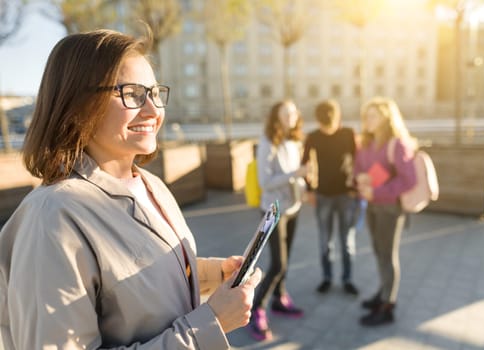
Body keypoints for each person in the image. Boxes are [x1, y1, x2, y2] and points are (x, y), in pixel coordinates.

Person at [0, 29, 262, 349]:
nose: (153, 110)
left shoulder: (150, 184)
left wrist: (211, 273)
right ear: (78, 102)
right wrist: (212, 323)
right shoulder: (52, 219)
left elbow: (129, 282)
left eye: (155, 92)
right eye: (133, 93)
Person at [247, 100, 308, 341]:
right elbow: (266, 182)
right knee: (278, 264)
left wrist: (303, 184)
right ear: (276, 117)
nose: (291, 116)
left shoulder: (294, 141)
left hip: (293, 207)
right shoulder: (266, 144)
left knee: (286, 259)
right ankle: (256, 310)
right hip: (272, 210)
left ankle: (280, 299)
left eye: (293, 111)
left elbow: (295, 175)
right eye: (286, 113)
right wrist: (296, 175)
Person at [354, 96, 417, 327]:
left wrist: (377, 192)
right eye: (366, 115)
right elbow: (358, 169)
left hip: (389, 209)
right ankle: (382, 294)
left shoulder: (397, 144)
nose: (367, 120)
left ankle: (388, 306)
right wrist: (357, 178)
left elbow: (409, 180)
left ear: (386, 118)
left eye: (373, 115)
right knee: (379, 252)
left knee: (388, 256)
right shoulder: (367, 143)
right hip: (371, 206)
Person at [301, 99, 360, 296]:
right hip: (323, 195)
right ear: (318, 122)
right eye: (323, 125)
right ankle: (327, 277)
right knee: (325, 241)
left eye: (330, 124)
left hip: (346, 195)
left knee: (346, 241)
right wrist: (309, 189)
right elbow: (305, 163)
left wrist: (356, 187)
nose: (326, 128)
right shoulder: (313, 137)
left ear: (338, 118)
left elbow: (358, 161)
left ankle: (348, 279)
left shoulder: (348, 134)